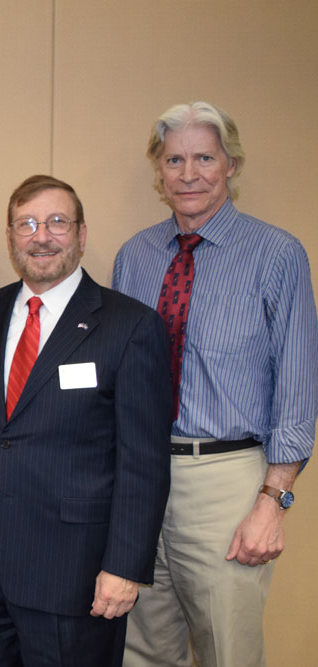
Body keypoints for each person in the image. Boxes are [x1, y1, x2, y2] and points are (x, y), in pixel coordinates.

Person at [113, 101, 318, 667]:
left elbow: (298, 390)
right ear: (159, 170)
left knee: (229, 651)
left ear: (231, 165)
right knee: (142, 650)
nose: (189, 173)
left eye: (205, 157)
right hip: (143, 477)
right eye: (174, 159)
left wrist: (272, 502)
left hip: (227, 483)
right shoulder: (135, 257)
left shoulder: (276, 254)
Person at [0, 175, 171, 666]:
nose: (42, 236)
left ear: (81, 234)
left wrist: (124, 567)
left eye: (57, 222)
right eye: (26, 224)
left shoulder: (130, 326)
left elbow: (145, 462)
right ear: (10, 236)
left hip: (78, 578)